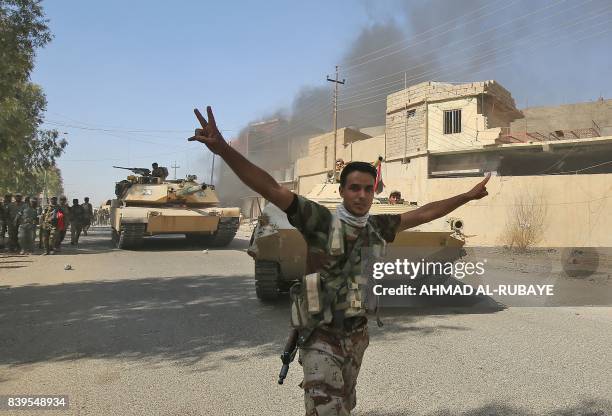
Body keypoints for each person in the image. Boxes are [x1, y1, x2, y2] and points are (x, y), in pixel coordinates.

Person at [188, 106, 490, 416]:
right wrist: (223, 148)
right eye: (354, 188)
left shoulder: (378, 227)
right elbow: (270, 187)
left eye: (368, 189)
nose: (361, 195)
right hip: (320, 335)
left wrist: (465, 196)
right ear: (343, 191)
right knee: (327, 407)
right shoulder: (319, 220)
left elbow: (424, 213)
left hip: (356, 335)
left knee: (345, 402)